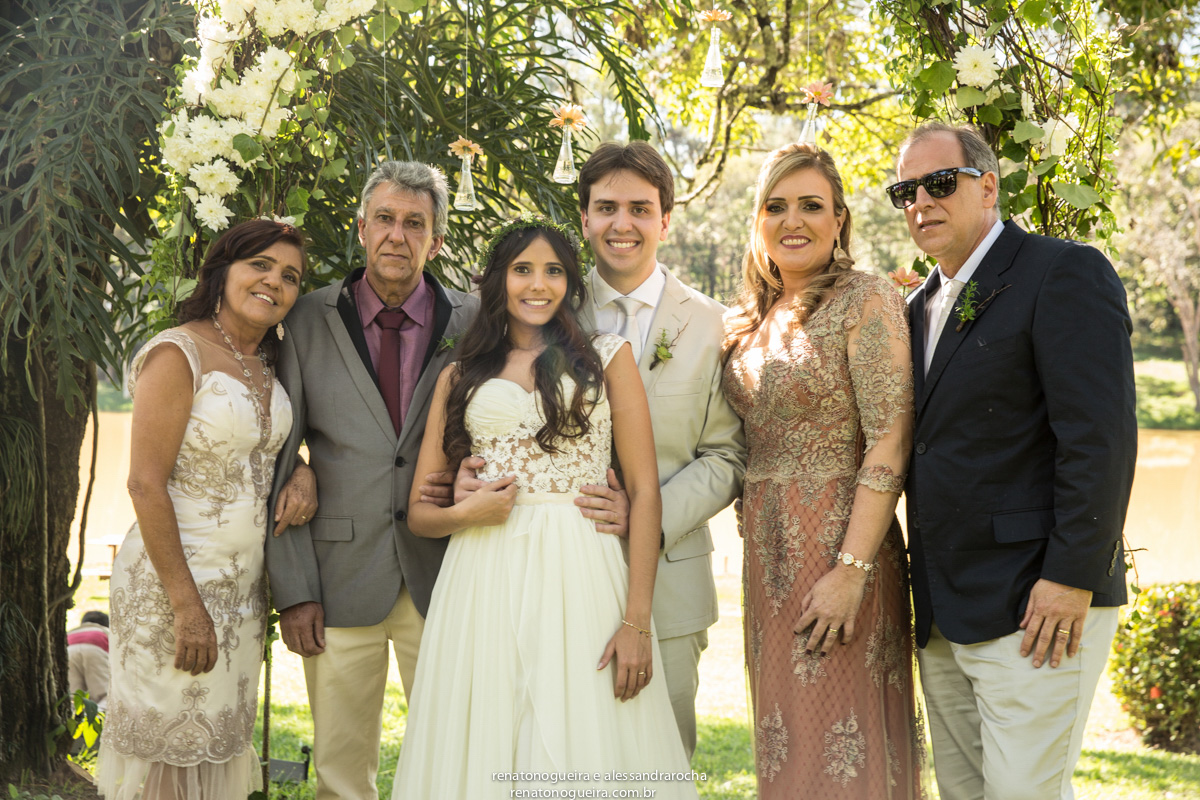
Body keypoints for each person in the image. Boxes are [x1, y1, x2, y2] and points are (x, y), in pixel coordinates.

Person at [445, 143, 746, 762]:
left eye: (640, 208)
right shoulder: (543, 301)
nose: (621, 223)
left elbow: (727, 455)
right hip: (542, 577)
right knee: (536, 752)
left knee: (653, 764)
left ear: (666, 220)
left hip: (668, 582)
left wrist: (647, 514)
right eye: (606, 208)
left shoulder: (714, 323)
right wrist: (466, 479)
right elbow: (480, 407)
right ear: (584, 219)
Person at [391, 216, 697, 799]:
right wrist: (465, 514)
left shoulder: (607, 359)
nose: (538, 284)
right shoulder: (459, 376)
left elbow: (645, 492)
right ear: (498, 281)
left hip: (582, 572)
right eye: (522, 270)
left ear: (571, 282)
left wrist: (636, 621)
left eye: (553, 270)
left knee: (585, 726)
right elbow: (421, 513)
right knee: (487, 731)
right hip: (483, 575)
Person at [893, 122, 1137, 800]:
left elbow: (1100, 439)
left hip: (1038, 605)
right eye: (906, 191)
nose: (922, 202)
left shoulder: (1063, 272)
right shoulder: (914, 308)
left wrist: (1070, 577)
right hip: (944, 614)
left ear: (988, 187)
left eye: (940, 183)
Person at [265, 161, 478, 800]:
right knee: (339, 770)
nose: (396, 235)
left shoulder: (473, 321)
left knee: (457, 761)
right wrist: (294, 589)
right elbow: (279, 457)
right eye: (384, 218)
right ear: (361, 228)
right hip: (337, 579)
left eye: (415, 224)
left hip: (447, 575)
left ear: (436, 242)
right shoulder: (305, 318)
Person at [721, 143, 925, 796]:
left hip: (842, 556)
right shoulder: (749, 318)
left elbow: (890, 441)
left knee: (843, 750)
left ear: (839, 218)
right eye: (775, 206)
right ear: (758, 220)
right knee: (787, 748)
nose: (793, 221)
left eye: (811, 205)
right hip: (768, 565)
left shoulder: (866, 299)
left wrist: (851, 571)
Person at [97, 219, 308, 800]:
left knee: (216, 746)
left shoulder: (271, 362)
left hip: (243, 592)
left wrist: (304, 469)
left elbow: (266, 448)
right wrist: (186, 605)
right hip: (172, 587)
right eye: (260, 265)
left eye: (290, 276)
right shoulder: (178, 352)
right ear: (222, 270)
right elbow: (144, 484)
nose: (274, 282)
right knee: (167, 754)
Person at [68, 610, 111, 713]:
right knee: (105, 695)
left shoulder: (72, 632)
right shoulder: (105, 632)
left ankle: (76, 718)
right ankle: (98, 716)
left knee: (75, 697)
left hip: (69, 650)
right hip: (97, 649)